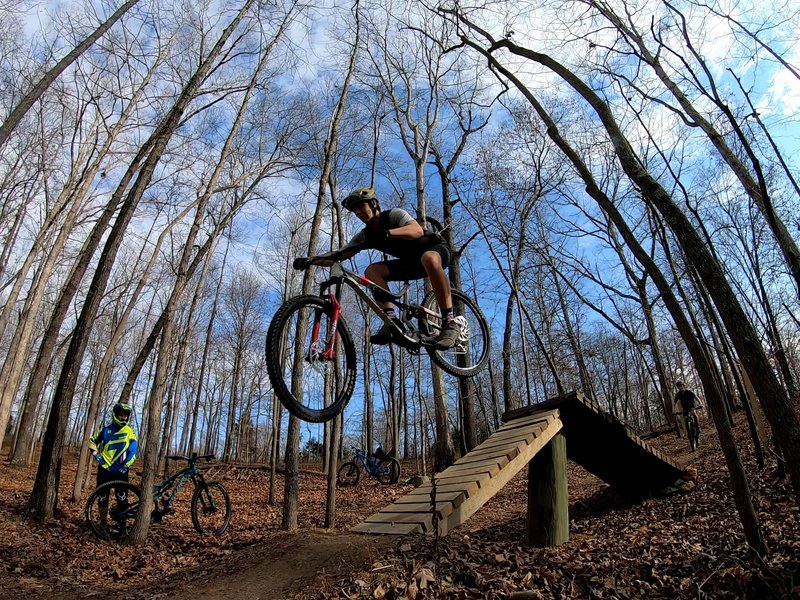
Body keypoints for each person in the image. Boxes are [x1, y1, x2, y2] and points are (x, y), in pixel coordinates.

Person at [317, 186, 461, 349]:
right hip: (412, 263)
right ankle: (392, 322)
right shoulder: (366, 234)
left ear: (373, 203)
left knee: (428, 258)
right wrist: (311, 260)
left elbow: (416, 231)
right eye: (355, 211)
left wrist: (388, 233)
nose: (358, 213)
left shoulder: (393, 215)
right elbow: (340, 254)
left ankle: (450, 322)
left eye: (360, 207)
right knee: (372, 271)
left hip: (436, 250)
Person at [88, 402, 138, 526]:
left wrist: (126, 465)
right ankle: (103, 523)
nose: (123, 418)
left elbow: (133, 449)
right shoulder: (106, 430)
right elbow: (91, 441)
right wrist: (97, 455)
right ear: (115, 415)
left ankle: (122, 525)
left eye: (125, 416)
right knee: (102, 497)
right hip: (104, 469)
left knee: (122, 498)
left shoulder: (129, 431)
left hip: (121, 470)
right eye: (121, 415)